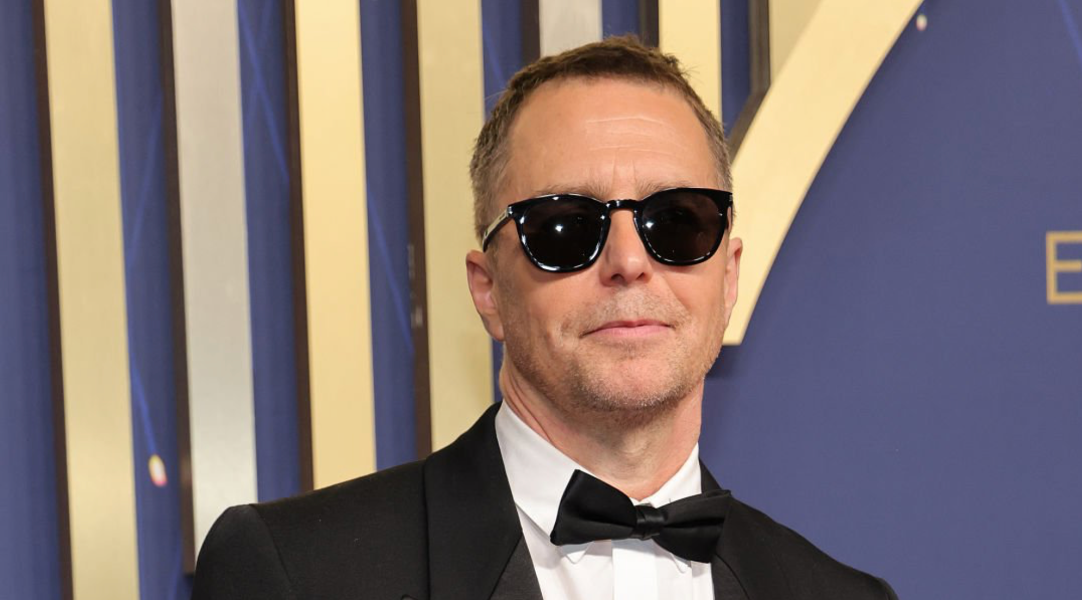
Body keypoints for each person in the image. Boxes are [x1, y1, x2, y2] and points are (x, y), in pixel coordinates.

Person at [191, 36, 897, 600]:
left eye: (678, 222)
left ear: (729, 274)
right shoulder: (296, 574)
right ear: (488, 289)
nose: (629, 261)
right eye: (566, 227)